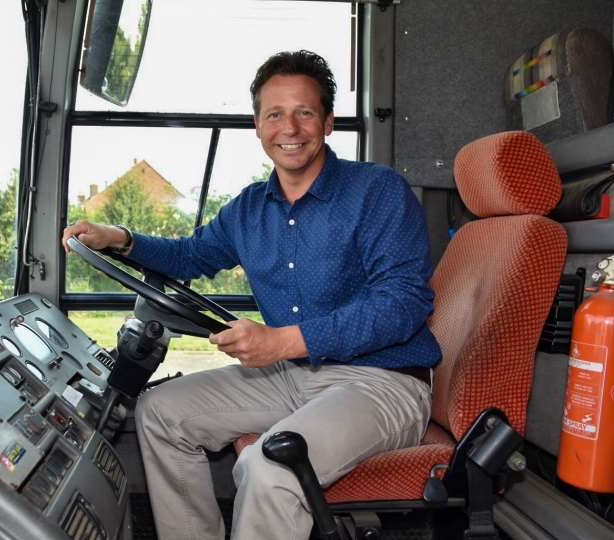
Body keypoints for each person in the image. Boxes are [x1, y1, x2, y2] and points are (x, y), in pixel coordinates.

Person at [63, 50, 441, 540]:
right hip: (293, 375)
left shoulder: (378, 191)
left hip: (383, 382)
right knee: (160, 412)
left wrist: (282, 342)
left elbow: (403, 303)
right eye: (275, 114)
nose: (291, 127)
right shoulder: (248, 209)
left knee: (271, 467)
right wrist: (121, 239)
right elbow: (190, 256)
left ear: (327, 122)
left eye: (305, 112)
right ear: (258, 126)